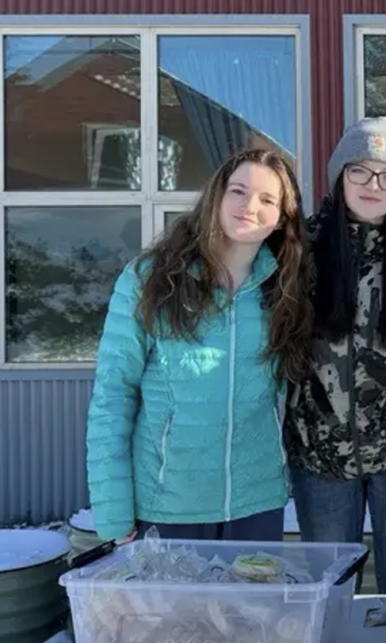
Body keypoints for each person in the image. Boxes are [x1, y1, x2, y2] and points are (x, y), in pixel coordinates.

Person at [86, 147, 314, 543]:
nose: (249, 207)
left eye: (267, 199)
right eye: (238, 191)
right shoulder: (151, 280)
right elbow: (113, 395)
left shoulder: (284, 290)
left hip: (256, 507)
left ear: (282, 217)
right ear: (216, 196)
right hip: (167, 507)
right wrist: (112, 514)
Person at [284, 117, 386, 594]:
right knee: (331, 592)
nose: (374, 186)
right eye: (360, 171)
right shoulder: (299, 251)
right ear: (339, 176)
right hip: (320, 456)